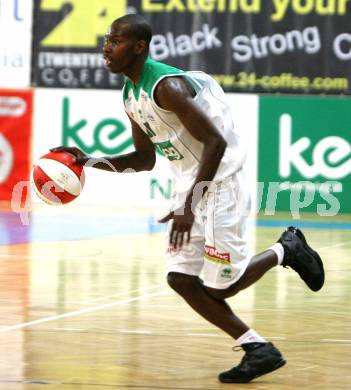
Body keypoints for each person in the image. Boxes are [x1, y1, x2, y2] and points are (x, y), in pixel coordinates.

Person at [51, 14, 324, 383]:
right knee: (180, 278)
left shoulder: (167, 87)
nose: (106, 47)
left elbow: (216, 142)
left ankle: (286, 250)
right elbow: (144, 160)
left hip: (222, 183)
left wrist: (187, 208)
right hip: (191, 185)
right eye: (106, 39)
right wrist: (88, 160)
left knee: (222, 285)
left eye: (115, 40)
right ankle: (258, 349)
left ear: (139, 47)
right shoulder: (131, 94)